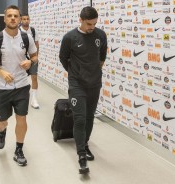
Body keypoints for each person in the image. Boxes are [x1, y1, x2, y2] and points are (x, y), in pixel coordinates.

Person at [0, 5, 38, 166]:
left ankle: (19, 149)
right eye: (10, 16)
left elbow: (35, 55)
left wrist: (30, 61)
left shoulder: (26, 37)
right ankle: (2, 131)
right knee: (1, 122)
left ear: (20, 19)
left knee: (21, 118)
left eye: (16, 16)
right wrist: (1, 72)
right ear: (5, 18)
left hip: (22, 85)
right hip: (1, 87)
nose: (13, 18)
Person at [59, 6, 107, 174]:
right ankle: (81, 156)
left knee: (89, 118)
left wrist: (93, 72)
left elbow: (101, 58)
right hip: (77, 84)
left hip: (94, 84)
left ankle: (85, 144)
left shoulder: (100, 35)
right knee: (79, 119)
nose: (92, 27)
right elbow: (63, 58)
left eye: (94, 23)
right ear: (80, 20)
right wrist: (75, 73)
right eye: (88, 24)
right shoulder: (69, 37)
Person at [20, 13, 40, 109]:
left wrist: (36, 57)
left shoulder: (33, 30)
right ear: (21, 20)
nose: (26, 20)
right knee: (19, 78)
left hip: (32, 58)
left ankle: (34, 99)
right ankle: (19, 98)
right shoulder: (18, 31)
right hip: (21, 58)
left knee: (34, 78)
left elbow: (36, 44)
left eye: (27, 19)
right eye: (24, 19)